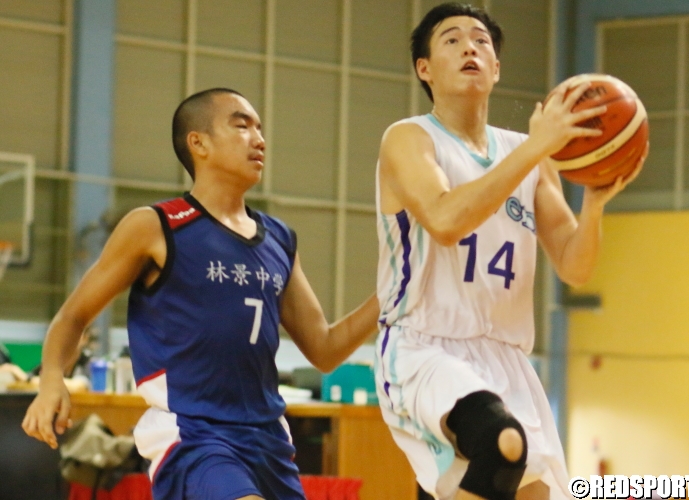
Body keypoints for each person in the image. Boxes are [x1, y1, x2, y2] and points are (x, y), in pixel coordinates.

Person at [22, 87, 380, 500]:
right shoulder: (155, 226)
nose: (259, 139)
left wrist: (388, 295)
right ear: (199, 143)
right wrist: (52, 379)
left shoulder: (279, 240)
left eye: (260, 129)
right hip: (193, 434)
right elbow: (72, 316)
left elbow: (325, 348)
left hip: (268, 437)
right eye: (242, 126)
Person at [374, 3, 647, 500]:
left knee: (531, 491)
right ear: (425, 69)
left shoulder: (529, 154)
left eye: (480, 40)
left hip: (506, 356)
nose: (469, 48)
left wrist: (594, 202)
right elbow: (444, 220)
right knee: (501, 444)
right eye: (451, 40)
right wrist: (536, 149)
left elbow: (575, 266)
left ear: (497, 68)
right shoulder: (409, 139)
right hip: (425, 346)